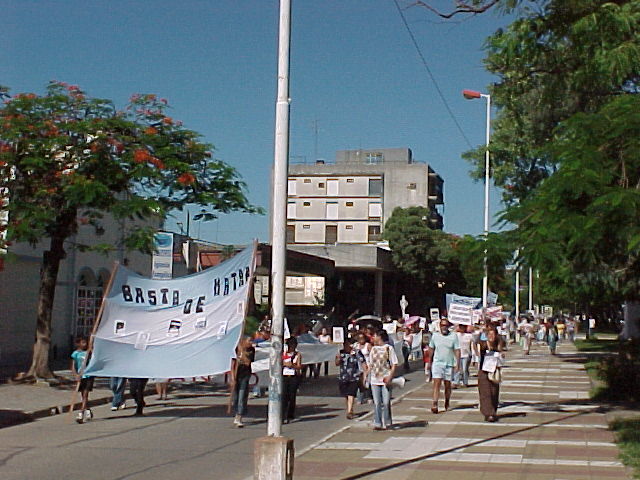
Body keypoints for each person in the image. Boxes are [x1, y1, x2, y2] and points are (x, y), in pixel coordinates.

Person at [425, 319, 460, 414]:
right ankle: (434, 403)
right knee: (437, 383)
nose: (444, 327)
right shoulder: (435, 336)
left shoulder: (453, 336)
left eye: (446, 325)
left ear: (448, 326)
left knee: (447, 385)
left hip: (449, 364)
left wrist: (458, 364)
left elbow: (457, 350)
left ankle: (447, 401)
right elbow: (431, 349)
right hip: (437, 363)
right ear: (439, 326)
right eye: (442, 325)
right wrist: (429, 362)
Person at [365, 330, 398, 430]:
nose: (373, 338)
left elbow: (394, 364)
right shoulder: (373, 349)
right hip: (374, 379)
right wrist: (366, 375)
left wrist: (390, 377)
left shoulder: (389, 348)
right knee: (377, 402)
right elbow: (370, 364)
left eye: (374, 335)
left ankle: (388, 422)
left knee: (386, 401)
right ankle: (377, 422)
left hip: (385, 379)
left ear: (380, 337)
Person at [477, 327, 504, 422]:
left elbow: (501, 356)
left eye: (493, 334)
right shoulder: (483, 344)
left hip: (494, 372)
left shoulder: (499, 344)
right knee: (485, 393)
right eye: (489, 334)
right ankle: (489, 413)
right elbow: (477, 341)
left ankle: (493, 411)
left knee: (494, 393)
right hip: (484, 371)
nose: (491, 336)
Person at [335, 338, 364, 419]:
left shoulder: (357, 353)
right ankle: (349, 408)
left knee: (351, 393)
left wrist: (364, 373)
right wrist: (338, 359)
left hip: (354, 377)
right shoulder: (341, 353)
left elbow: (362, 361)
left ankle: (350, 411)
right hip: (343, 377)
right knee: (346, 395)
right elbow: (337, 363)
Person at [231, 336, 255, 427]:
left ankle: (239, 416)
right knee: (236, 397)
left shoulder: (251, 350)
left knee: (242, 396)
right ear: (244, 341)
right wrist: (233, 378)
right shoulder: (236, 349)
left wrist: (242, 352)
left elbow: (248, 362)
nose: (251, 342)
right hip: (237, 375)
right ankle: (236, 412)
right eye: (249, 341)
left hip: (245, 375)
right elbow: (232, 364)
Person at [71, 336, 95, 423]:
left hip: (88, 376)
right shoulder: (76, 354)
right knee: (83, 396)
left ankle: (81, 413)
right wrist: (76, 375)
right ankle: (88, 409)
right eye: (83, 342)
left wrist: (91, 349)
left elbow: (94, 359)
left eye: (86, 342)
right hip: (80, 376)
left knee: (85, 395)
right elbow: (73, 366)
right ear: (79, 344)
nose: (85, 344)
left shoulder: (88, 353)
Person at [282, 336, 303, 424]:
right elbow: (279, 363)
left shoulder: (298, 355)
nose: (292, 347)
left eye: (293, 345)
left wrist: (292, 366)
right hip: (284, 376)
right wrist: (284, 364)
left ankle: (290, 415)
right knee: (284, 396)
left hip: (293, 377)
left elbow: (299, 366)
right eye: (290, 345)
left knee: (291, 396)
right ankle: (283, 415)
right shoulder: (284, 354)